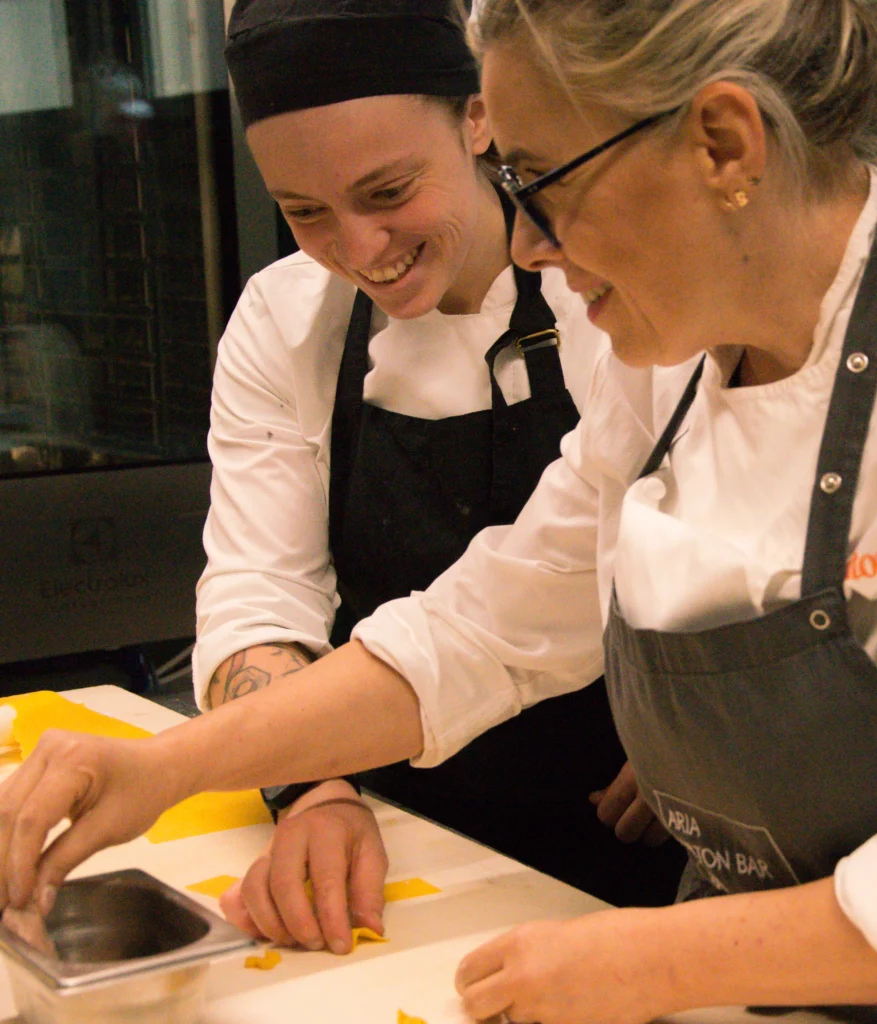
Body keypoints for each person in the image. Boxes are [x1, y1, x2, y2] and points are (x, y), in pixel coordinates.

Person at [2, 0, 877, 1022]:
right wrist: (163, 765)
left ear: (723, 143)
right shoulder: (666, 369)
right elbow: (481, 633)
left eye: (544, 182)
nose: (528, 243)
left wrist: (647, 961)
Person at [191, 0, 684, 952]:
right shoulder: (284, 320)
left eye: (387, 192)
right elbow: (260, 586)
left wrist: (707, 735)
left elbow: (709, 543)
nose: (358, 248)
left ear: (478, 117)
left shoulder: (618, 291)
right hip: (400, 838)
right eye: (304, 213)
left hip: (632, 831)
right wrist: (312, 784)